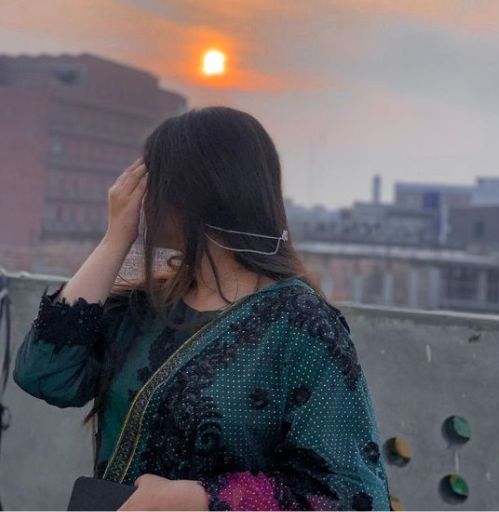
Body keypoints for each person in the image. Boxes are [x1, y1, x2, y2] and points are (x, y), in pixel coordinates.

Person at [13, 106, 391, 511]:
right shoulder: (148, 308)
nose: (143, 200)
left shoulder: (301, 324)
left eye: (152, 182)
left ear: (192, 193)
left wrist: (201, 499)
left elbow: (353, 494)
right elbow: (44, 375)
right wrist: (114, 241)